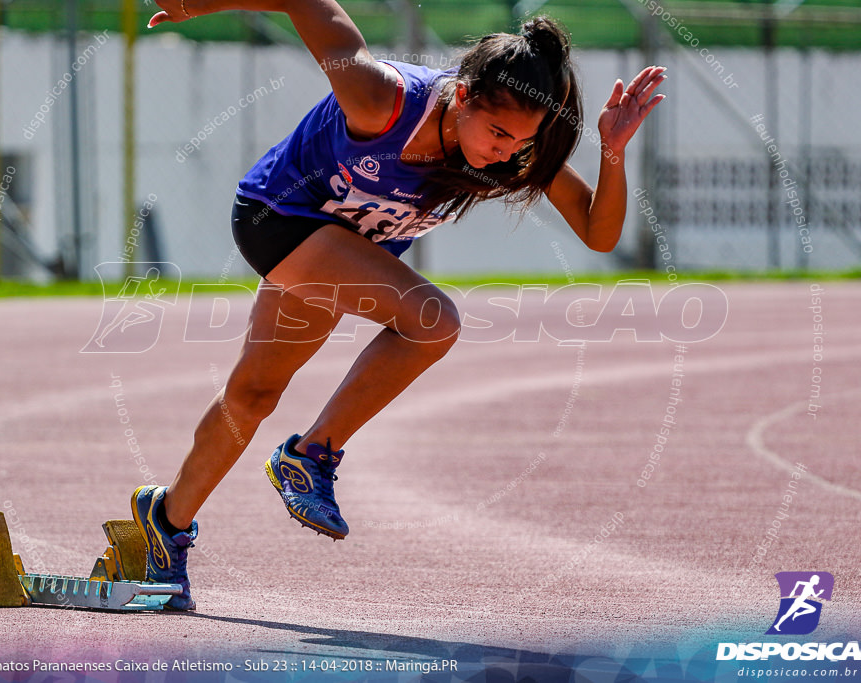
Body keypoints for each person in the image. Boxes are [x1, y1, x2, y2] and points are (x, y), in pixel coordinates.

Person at [131, 0, 666, 611]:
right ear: (461, 96)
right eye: (497, 134)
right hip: (276, 220)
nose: (505, 152)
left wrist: (614, 149)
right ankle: (311, 456)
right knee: (433, 321)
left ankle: (165, 524)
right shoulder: (380, 99)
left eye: (523, 141)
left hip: (342, 248)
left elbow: (599, 233)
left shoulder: (513, 149)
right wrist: (208, 5)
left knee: (252, 395)